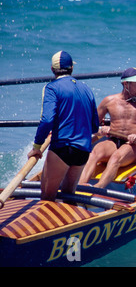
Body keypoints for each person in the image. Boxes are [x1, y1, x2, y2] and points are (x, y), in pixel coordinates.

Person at [27, 51, 99, 201]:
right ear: (72, 68)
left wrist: (37, 146)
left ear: (52, 69)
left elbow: (47, 120)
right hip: (83, 151)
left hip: (62, 149)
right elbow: (94, 127)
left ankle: (45, 224)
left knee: (47, 197)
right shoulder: (87, 89)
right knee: (69, 197)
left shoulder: (51, 88)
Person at [78, 67, 136, 189]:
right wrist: (100, 131)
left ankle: (98, 188)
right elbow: (89, 125)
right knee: (94, 152)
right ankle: (80, 187)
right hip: (113, 142)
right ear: (126, 84)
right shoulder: (109, 101)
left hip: (133, 146)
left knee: (116, 157)